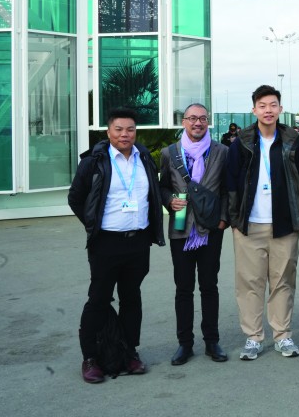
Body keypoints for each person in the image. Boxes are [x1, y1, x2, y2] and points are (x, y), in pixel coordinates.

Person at [68, 107, 165, 384]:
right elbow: (76, 198)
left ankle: (130, 353)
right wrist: (93, 225)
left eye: (130, 129)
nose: (125, 134)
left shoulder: (144, 158)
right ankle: (90, 358)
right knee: (98, 299)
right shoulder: (94, 161)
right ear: (108, 131)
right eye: (119, 129)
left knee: (131, 298)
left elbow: (152, 195)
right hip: (106, 243)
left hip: (138, 242)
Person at [225, 85, 299, 360]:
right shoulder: (241, 141)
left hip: (284, 225)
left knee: (283, 281)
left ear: (280, 109)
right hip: (249, 225)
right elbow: (231, 182)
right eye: (262, 106)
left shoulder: (291, 140)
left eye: (273, 105)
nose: (268, 110)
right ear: (254, 110)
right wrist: (236, 218)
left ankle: (283, 336)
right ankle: (253, 337)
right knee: (250, 282)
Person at [159, 103, 230, 365]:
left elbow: (227, 189)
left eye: (202, 119)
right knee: (183, 288)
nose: (197, 123)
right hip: (181, 228)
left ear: (208, 122)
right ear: (184, 122)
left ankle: (212, 341)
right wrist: (169, 200)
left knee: (209, 286)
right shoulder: (169, 153)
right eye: (192, 118)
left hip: (211, 228)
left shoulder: (222, 152)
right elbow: (162, 187)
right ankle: (184, 344)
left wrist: (224, 219)